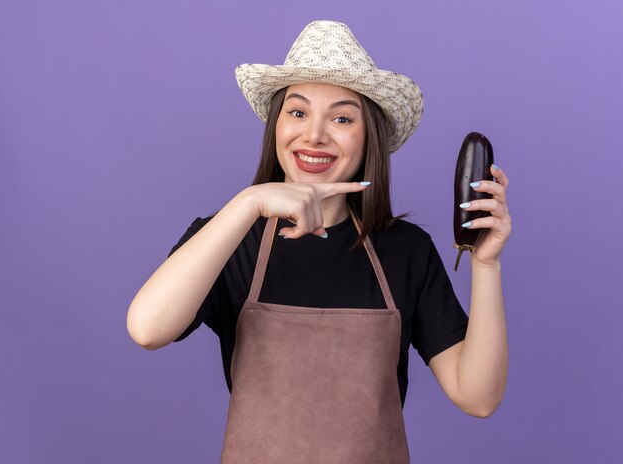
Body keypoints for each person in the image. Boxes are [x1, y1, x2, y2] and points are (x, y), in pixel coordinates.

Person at [127, 20, 511, 463]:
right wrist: (250, 202)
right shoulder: (228, 239)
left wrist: (485, 265)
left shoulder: (406, 250)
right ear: (276, 126)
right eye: (297, 112)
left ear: (369, 137)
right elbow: (147, 329)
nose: (314, 135)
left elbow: (478, 396)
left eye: (342, 118)